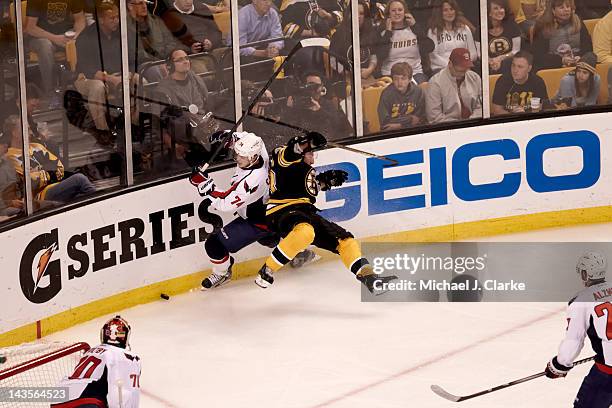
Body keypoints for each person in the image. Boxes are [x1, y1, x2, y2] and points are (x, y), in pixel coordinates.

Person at [253, 132, 397, 293]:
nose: (313, 158)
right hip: (281, 210)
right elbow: (293, 151)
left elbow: (301, 187)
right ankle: (267, 270)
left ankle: (369, 277)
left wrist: (324, 182)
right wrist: (309, 142)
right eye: (311, 153)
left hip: (304, 211)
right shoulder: (284, 157)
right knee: (305, 233)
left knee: (345, 240)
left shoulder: (299, 169)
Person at [190, 131, 316, 289]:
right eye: (237, 154)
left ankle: (222, 273)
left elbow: (225, 203)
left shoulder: (252, 181)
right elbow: (248, 137)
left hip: (258, 221)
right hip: (270, 212)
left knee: (214, 245)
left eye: (242, 156)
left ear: (252, 157)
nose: (237, 158)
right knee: (268, 239)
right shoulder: (259, 149)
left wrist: (204, 185)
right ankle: (298, 253)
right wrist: (229, 137)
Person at [544, 252, 612, 408]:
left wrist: (559, 365)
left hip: (607, 374)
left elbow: (574, 339)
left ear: (584, 273)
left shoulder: (581, 301)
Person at [51, 316, 141, 408]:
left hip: (58, 399)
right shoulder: (127, 357)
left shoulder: (91, 351)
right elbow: (122, 395)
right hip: (86, 401)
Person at [2, 115, 96, 203]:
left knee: (81, 195)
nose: (30, 133)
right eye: (27, 129)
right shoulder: (10, 157)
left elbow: (60, 167)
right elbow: (32, 181)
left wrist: (39, 170)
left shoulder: (37, 146)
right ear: (14, 133)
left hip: (58, 186)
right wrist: (47, 170)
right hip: (39, 196)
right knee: (79, 179)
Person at [74, 0, 128, 143]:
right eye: (112, 18)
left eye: (117, 17)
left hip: (116, 75)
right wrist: (112, 79)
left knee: (139, 80)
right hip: (87, 78)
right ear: (101, 20)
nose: (116, 21)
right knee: (98, 87)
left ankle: (134, 125)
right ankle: (102, 130)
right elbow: (88, 69)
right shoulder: (85, 38)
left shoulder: (121, 33)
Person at [25, 0, 87, 95]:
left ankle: (81, 85)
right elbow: (30, 28)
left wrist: (76, 36)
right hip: (40, 37)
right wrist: (55, 38)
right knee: (45, 46)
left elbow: (80, 19)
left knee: (82, 40)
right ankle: (50, 91)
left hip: (64, 35)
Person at [378, 0, 434, 82]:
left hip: (415, 73)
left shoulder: (415, 30)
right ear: (389, 14)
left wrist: (415, 26)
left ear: (405, 13)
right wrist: (388, 32)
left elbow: (430, 47)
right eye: (393, 10)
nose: (397, 13)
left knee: (423, 87)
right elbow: (380, 55)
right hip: (390, 74)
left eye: (400, 10)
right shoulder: (383, 33)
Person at [425, 47, 482, 123]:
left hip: (473, 124)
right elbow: (435, 117)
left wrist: (471, 122)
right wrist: (459, 126)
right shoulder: (435, 83)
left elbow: (481, 107)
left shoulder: (475, 78)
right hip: (448, 128)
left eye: (466, 69)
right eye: (460, 70)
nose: (463, 74)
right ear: (450, 64)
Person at [532, 0, 593, 70]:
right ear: (553, 10)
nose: (566, 10)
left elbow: (588, 48)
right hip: (553, 67)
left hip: (579, 66)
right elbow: (538, 56)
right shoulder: (543, 26)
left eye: (568, 6)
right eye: (561, 7)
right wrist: (561, 60)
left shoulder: (578, 22)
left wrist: (581, 57)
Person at [126, 0, 177, 80]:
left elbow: (171, 42)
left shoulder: (156, 21)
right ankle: (164, 92)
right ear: (130, 6)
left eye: (145, 3)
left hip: (163, 59)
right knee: (155, 70)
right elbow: (135, 54)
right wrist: (157, 62)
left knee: (181, 62)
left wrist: (165, 59)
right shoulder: (125, 27)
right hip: (139, 65)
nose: (144, 6)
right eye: (140, 3)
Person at [426, 0, 477, 74]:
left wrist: (463, 64)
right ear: (439, 13)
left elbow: (473, 53)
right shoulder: (433, 31)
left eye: (451, 9)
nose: (449, 13)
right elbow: (434, 57)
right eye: (445, 10)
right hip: (442, 69)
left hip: (464, 67)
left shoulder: (465, 28)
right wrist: (452, 66)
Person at [491, 50, 548, 115]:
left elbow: (543, 107)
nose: (515, 70)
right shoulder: (502, 81)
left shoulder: (537, 82)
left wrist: (524, 115)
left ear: (529, 68)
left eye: (520, 67)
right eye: (513, 65)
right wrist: (514, 116)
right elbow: (497, 110)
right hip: (509, 121)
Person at [378, 62, 426, 130]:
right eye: (396, 78)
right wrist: (410, 119)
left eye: (403, 78)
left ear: (409, 79)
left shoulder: (418, 92)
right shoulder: (386, 94)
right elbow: (385, 122)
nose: (399, 82)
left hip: (413, 131)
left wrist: (400, 125)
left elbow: (420, 119)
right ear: (392, 80)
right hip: (391, 132)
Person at [486, 0, 522, 75]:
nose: (500, 11)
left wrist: (500, 58)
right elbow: (480, 54)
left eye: (502, 8)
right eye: (496, 8)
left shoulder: (513, 26)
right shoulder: (481, 29)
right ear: (489, 12)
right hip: (489, 64)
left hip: (508, 64)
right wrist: (491, 61)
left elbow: (516, 50)